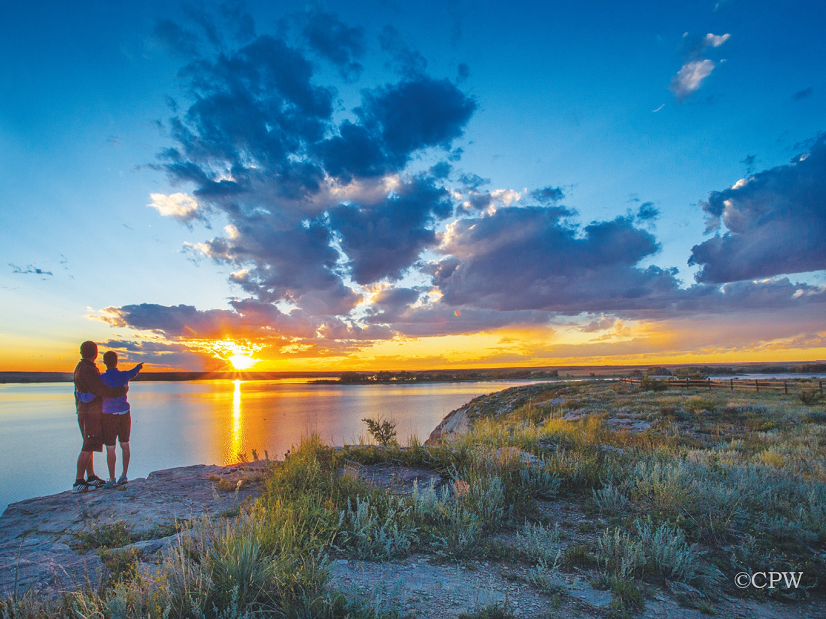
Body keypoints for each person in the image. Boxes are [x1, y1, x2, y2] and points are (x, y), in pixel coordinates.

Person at [73, 341, 127, 492]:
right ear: (95, 353)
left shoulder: (80, 368)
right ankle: (78, 481)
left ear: (81, 352)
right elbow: (100, 389)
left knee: (89, 444)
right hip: (90, 413)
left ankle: (90, 477)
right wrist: (120, 391)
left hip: (84, 411)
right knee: (88, 445)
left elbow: (84, 391)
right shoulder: (88, 370)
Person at [99, 351, 143, 488]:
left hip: (108, 414)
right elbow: (133, 372)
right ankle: (123, 476)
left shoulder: (101, 378)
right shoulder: (123, 375)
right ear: (116, 361)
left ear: (105, 362)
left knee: (111, 447)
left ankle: (112, 479)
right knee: (125, 444)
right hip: (124, 412)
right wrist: (139, 367)